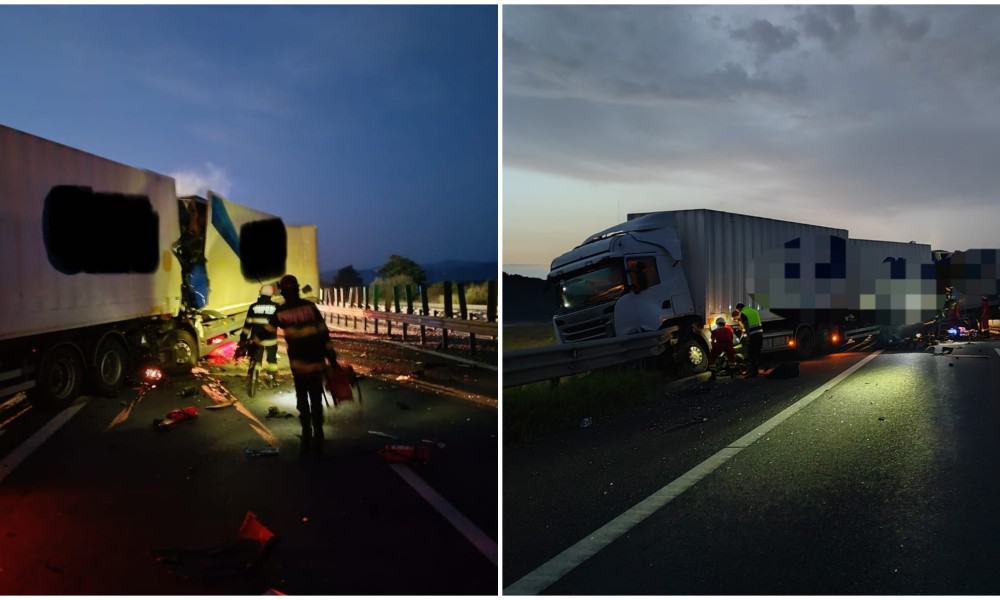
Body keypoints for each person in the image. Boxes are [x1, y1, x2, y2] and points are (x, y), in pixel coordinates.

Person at [267, 274, 337, 457]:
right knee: (316, 399)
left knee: (303, 400)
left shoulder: (280, 312)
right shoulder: (310, 307)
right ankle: (318, 433)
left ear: (283, 292)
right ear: (297, 289)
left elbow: (266, 332)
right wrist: (333, 359)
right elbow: (324, 333)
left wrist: (250, 345)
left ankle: (306, 435)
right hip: (316, 363)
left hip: (298, 366)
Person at [236, 284, 279, 381]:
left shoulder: (253, 307)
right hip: (270, 340)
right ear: (271, 295)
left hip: (256, 339)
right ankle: (272, 377)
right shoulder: (276, 307)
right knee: (272, 360)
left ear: (260, 293)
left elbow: (247, 325)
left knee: (256, 357)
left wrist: (243, 339)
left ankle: (254, 374)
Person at [735, 302, 763, 378]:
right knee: (757, 353)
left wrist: (748, 337)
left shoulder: (743, 313)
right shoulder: (754, 311)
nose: (738, 312)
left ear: (739, 308)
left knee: (750, 354)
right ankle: (758, 370)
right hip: (760, 334)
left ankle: (753, 373)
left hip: (753, 335)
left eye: (738, 311)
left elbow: (747, 325)